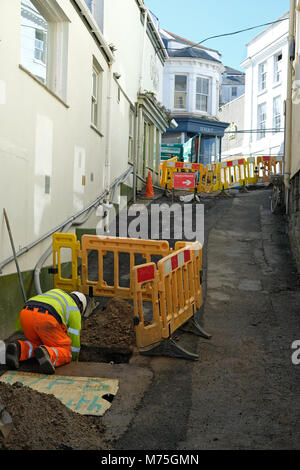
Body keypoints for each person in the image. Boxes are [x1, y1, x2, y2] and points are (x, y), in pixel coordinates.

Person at [6, 289, 87, 375]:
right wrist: (74, 360)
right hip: (46, 317)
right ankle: (48, 354)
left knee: (37, 343)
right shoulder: (74, 309)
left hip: (26, 312)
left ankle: (18, 349)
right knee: (66, 351)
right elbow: (74, 340)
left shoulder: (58, 294)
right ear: (81, 306)